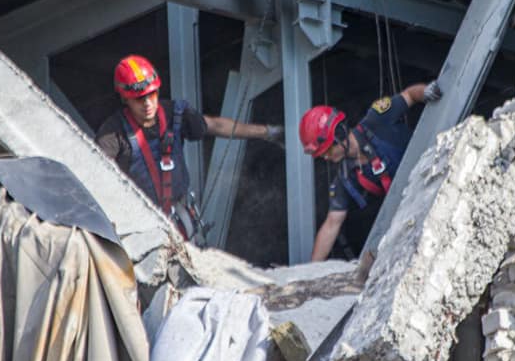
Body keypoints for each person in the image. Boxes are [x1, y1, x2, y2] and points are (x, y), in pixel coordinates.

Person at [96, 54, 283, 241]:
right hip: (140, 228)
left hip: (180, 218)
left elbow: (216, 126)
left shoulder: (175, 113)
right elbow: (94, 178)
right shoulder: (112, 134)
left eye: (151, 95)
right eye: (139, 99)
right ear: (125, 99)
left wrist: (268, 132)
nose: (147, 104)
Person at [298, 81, 442, 261]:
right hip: (417, 208)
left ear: (339, 136)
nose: (325, 157)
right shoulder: (345, 178)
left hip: (437, 175)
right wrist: (311, 270)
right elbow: (332, 224)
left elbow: (410, 95)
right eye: (321, 155)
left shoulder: (377, 119)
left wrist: (426, 92)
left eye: (326, 150)